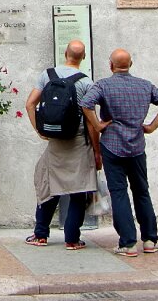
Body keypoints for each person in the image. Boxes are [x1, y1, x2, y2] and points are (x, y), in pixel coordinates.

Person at [80, 48, 158, 257]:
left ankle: (128, 243)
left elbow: (86, 104)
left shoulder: (103, 85)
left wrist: (98, 125)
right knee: (142, 191)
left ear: (111, 65)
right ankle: (149, 240)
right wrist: (151, 126)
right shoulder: (144, 85)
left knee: (119, 193)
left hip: (112, 146)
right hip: (137, 147)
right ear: (130, 64)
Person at [24, 40, 100, 249]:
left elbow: (30, 103)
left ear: (65, 53)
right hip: (78, 141)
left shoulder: (47, 75)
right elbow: (91, 120)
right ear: (83, 58)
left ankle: (40, 235)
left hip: (55, 141)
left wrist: (39, 130)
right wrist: (97, 150)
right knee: (78, 190)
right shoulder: (86, 82)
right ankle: (72, 240)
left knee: (50, 186)